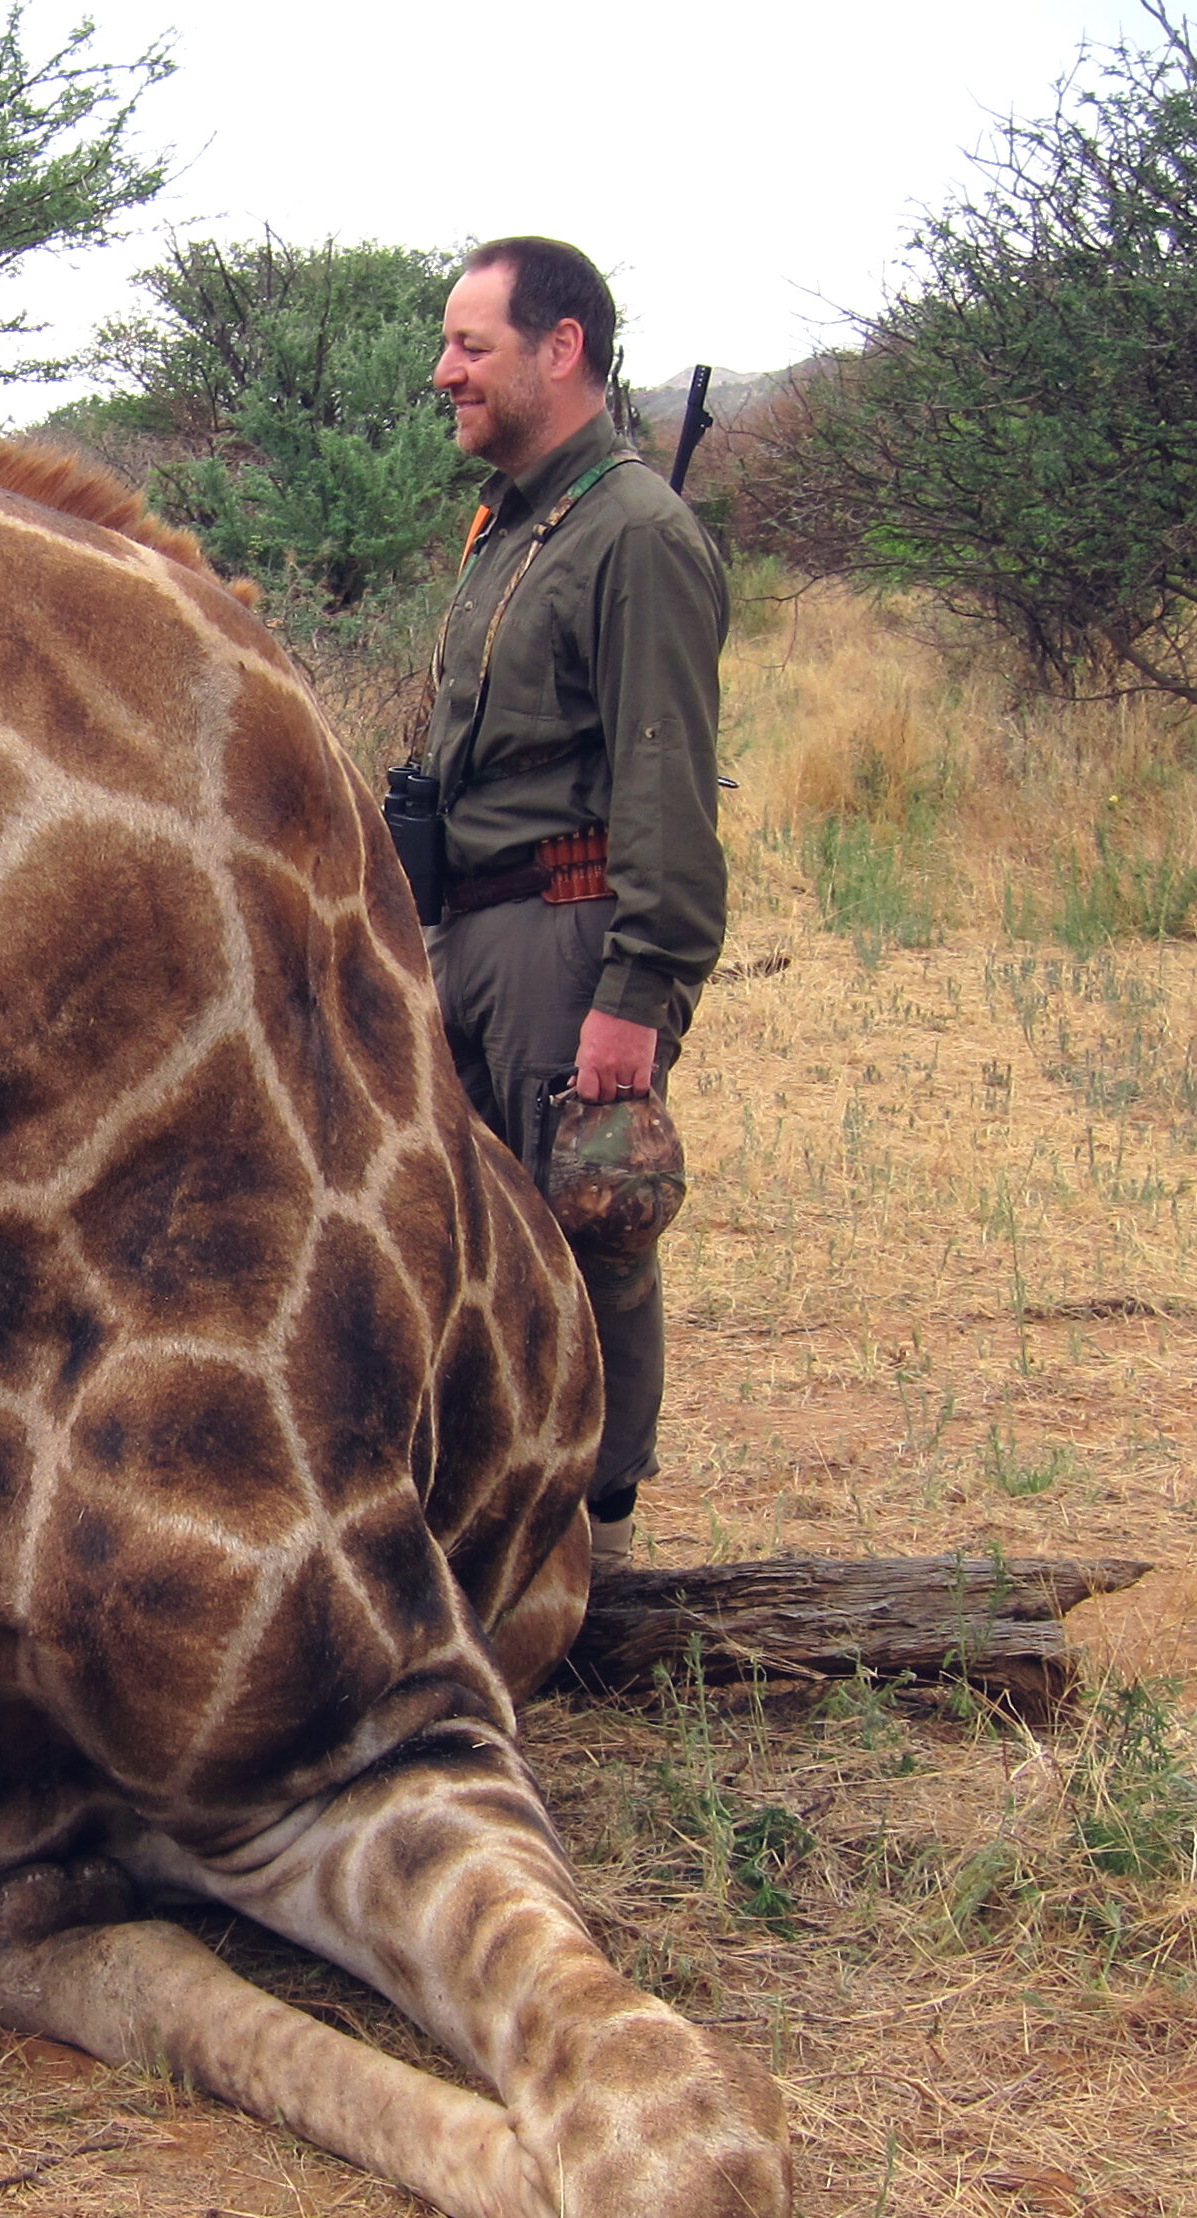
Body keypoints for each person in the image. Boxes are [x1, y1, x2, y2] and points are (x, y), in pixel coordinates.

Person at [423, 236, 727, 1568]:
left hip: (569, 931)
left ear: (562, 349)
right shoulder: (510, 517)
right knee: (474, 1234)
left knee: (587, 1224)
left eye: (472, 346)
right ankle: (494, 1513)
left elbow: (665, 779)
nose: (446, 372)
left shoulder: (638, 533)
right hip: (471, 931)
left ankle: (596, 1537)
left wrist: (637, 997)